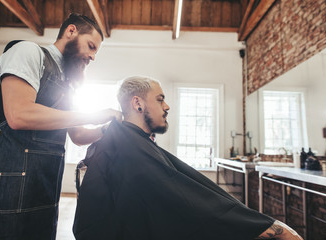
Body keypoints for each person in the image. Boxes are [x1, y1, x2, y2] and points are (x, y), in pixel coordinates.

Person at [73, 76, 303, 240]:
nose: (167, 106)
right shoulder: (129, 147)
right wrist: (262, 226)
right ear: (138, 103)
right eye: (160, 99)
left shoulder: (127, 142)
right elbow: (183, 199)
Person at [0, 13, 121, 239]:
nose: (92, 57)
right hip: (10, 181)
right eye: (91, 46)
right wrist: (93, 114)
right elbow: (19, 115)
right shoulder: (28, 52)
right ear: (71, 31)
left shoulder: (68, 82)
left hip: (46, 183)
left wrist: (109, 130)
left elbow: (78, 134)